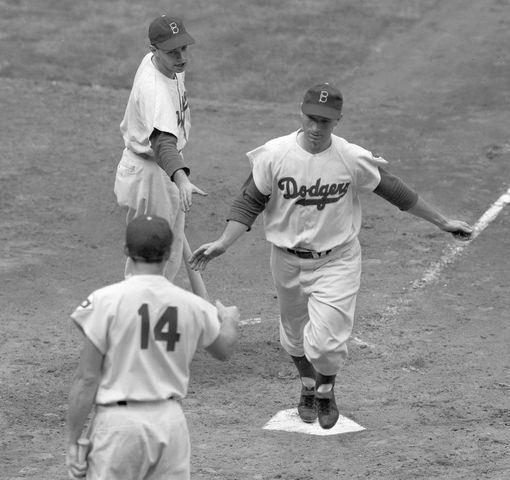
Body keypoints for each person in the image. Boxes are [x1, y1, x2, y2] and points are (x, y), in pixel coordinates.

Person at [189, 83, 473, 430]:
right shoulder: (275, 155)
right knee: (293, 335)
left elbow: (395, 191)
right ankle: (308, 385)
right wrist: (223, 242)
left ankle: (326, 388)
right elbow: (250, 201)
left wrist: (443, 222)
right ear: (301, 113)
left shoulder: (350, 157)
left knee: (326, 343)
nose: (315, 128)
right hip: (286, 258)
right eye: (310, 118)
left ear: (337, 121)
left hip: (337, 259)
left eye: (324, 122)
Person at [66, 215, 239, 479]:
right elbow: (224, 349)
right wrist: (229, 320)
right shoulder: (191, 305)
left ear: (127, 250)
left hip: (118, 425)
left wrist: (73, 440)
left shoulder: (104, 301)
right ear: (170, 253)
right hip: (170, 424)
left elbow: (87, 379)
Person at [114, 14, 207, 282]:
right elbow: (163, 143)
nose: (181, 57)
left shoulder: (164, 64)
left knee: (169, 254)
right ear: (153, 50)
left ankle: (156, 310)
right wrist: (181, 178)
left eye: (183, 48)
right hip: (151, 177)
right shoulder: (154, 90)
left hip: (158, 171)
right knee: (148, 263)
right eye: (172, 52)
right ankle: (140, 317)